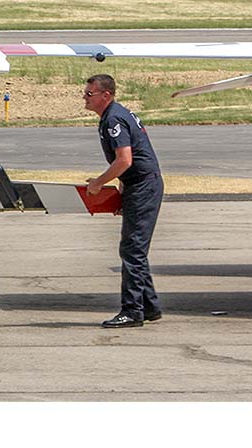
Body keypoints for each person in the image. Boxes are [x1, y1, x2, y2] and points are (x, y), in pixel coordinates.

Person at [83, 74, 165, 328]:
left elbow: (124, 160)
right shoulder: (112, 116)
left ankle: (132, 311)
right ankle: (149, 305)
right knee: (134, 248)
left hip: (144, 186)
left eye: (89, 94)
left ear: (105, 95)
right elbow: (129, 162)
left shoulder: (114, 119)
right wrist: (121, 190)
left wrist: (97, 183)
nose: (85, 98)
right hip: (137, 184)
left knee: (132, 250)